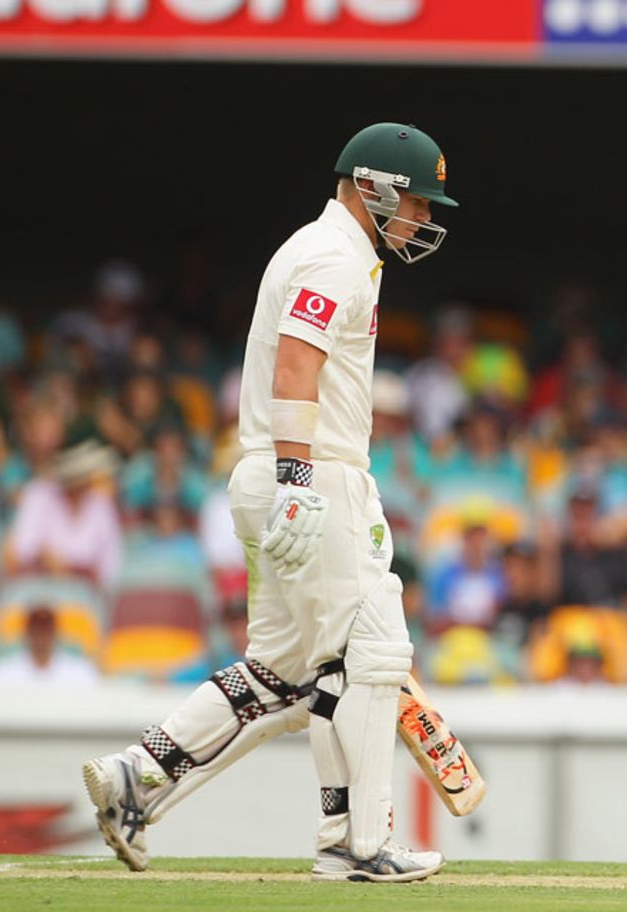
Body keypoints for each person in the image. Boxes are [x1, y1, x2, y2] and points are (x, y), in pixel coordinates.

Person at [83, 122, 458, 882]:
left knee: (284, 673)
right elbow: (296, 365)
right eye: (417, 202)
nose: (422, 220)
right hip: (311, 474)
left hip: (286, 473)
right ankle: (359, 843)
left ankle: (137, 776)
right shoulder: (331, 255)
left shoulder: (332, 250)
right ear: (376, 187)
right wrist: (298, 479)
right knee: (371, 658)